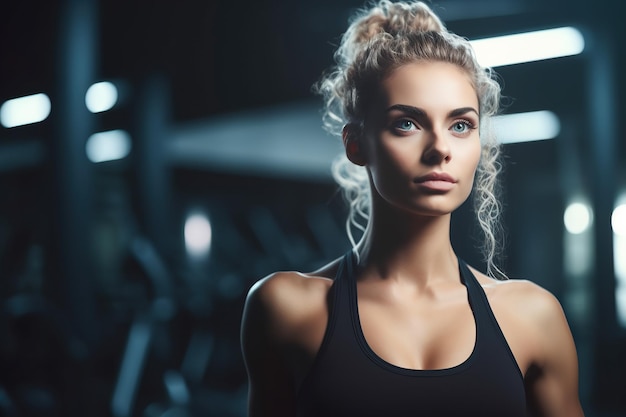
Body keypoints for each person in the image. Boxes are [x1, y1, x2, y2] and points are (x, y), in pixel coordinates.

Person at [240, 1, 585, 416]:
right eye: (407, 123)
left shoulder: (532, 316)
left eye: (461, 125)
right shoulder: (287, 309)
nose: (440, 148)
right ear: (356, 144)